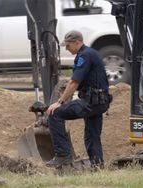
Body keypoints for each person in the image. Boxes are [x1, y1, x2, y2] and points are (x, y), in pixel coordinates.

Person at [46, 30, 111, 168]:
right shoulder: (91, 53)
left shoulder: (85, 56)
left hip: (90, 103)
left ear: (77, 42)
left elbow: (74, 82)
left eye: (68, 45)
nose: (66, 48)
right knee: (92, 135)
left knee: (54, 114)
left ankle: (63, 155)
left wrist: (60, 102)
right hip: (99, 102)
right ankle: (98, 166)